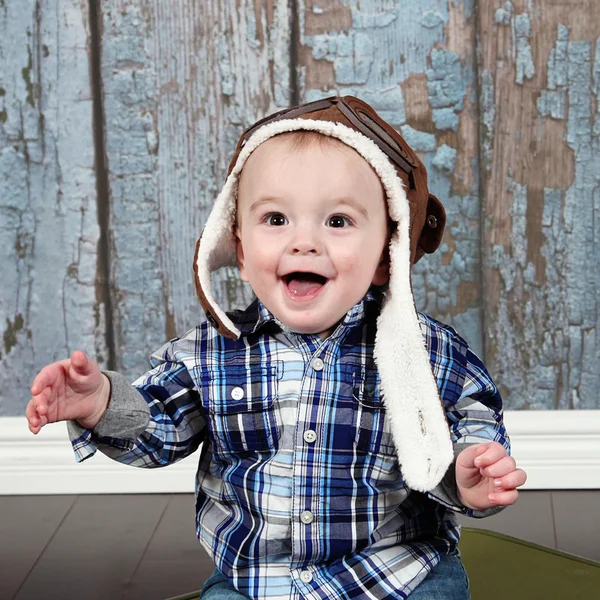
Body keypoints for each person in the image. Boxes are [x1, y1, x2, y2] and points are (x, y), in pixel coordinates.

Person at [26, 97, 527, 600]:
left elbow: (466, 422)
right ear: (240, 250)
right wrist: (99, 405)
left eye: (337, 222)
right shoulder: (209, 353)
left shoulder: (425, 351)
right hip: (261, 582)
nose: (304, 242)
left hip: (396, 573)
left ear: (384, 256)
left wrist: (470, 469)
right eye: (275, 219)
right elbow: (158, 427)